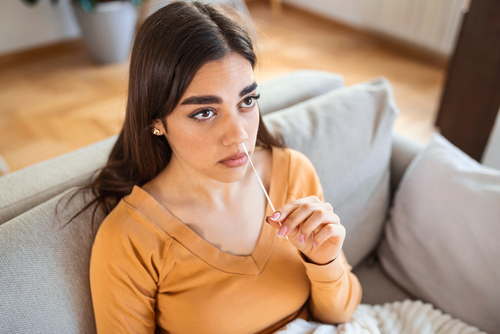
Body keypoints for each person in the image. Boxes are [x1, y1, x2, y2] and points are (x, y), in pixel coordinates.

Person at [71, 1, 362, 333]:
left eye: (246, 101)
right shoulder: (130, 239)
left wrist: (324, 260)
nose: (238, 135)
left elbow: (341, 314)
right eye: (204, 112)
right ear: (157, 122)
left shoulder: (293, 172)